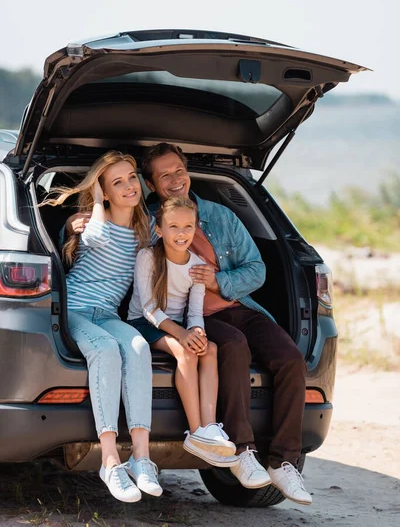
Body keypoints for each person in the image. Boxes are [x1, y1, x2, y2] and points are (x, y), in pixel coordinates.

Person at [65, 143, 311, 505]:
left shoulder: (219, 216)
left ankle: (282, 461)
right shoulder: (147, 225)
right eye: (164, 175)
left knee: (291, 359)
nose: (176, 179)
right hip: (165, 316)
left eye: (179, 170)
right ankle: (236, 450)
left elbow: (256, 270)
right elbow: (98, 243)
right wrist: (72, 222)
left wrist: (217, 282)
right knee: (226, 347)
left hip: (232, 305)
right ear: (152, 185)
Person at [43, 150, 162, 504]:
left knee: (138, 347)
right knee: (107, 350)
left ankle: (141, 458)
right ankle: (109, 461)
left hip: (109, 314)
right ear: (104, 192)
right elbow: (94, 239)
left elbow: (173, 245)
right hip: (75, 309)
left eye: (131, 178)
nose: (129, 186)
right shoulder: (93, 220)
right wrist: (95, 201)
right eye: (117, 182)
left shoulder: (146, 229)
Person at [127, 196, 238, 467]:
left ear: (195, 228)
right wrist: (182, 335)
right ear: (159, 229)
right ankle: (195, 430)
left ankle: (210, 428)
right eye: (174, 226)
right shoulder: (148, 257)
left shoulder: (197, 265)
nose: (181, 234)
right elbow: (150, 309)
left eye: (188, 227)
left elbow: (195, 312)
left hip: (177, 326)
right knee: (184, 353)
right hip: (144, 323)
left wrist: (197, 331)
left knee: (209, 349)